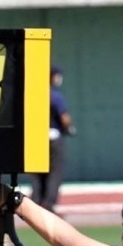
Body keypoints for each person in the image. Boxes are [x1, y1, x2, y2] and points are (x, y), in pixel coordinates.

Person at [29, 65, 72, 212]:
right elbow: (64, 118)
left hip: (35, 136)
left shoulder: (33, 94)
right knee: (55, 171)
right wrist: (68, 128)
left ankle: (36, 200)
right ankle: (48, 203)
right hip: (53, 135)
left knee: (36, 171)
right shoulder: (54, 95)